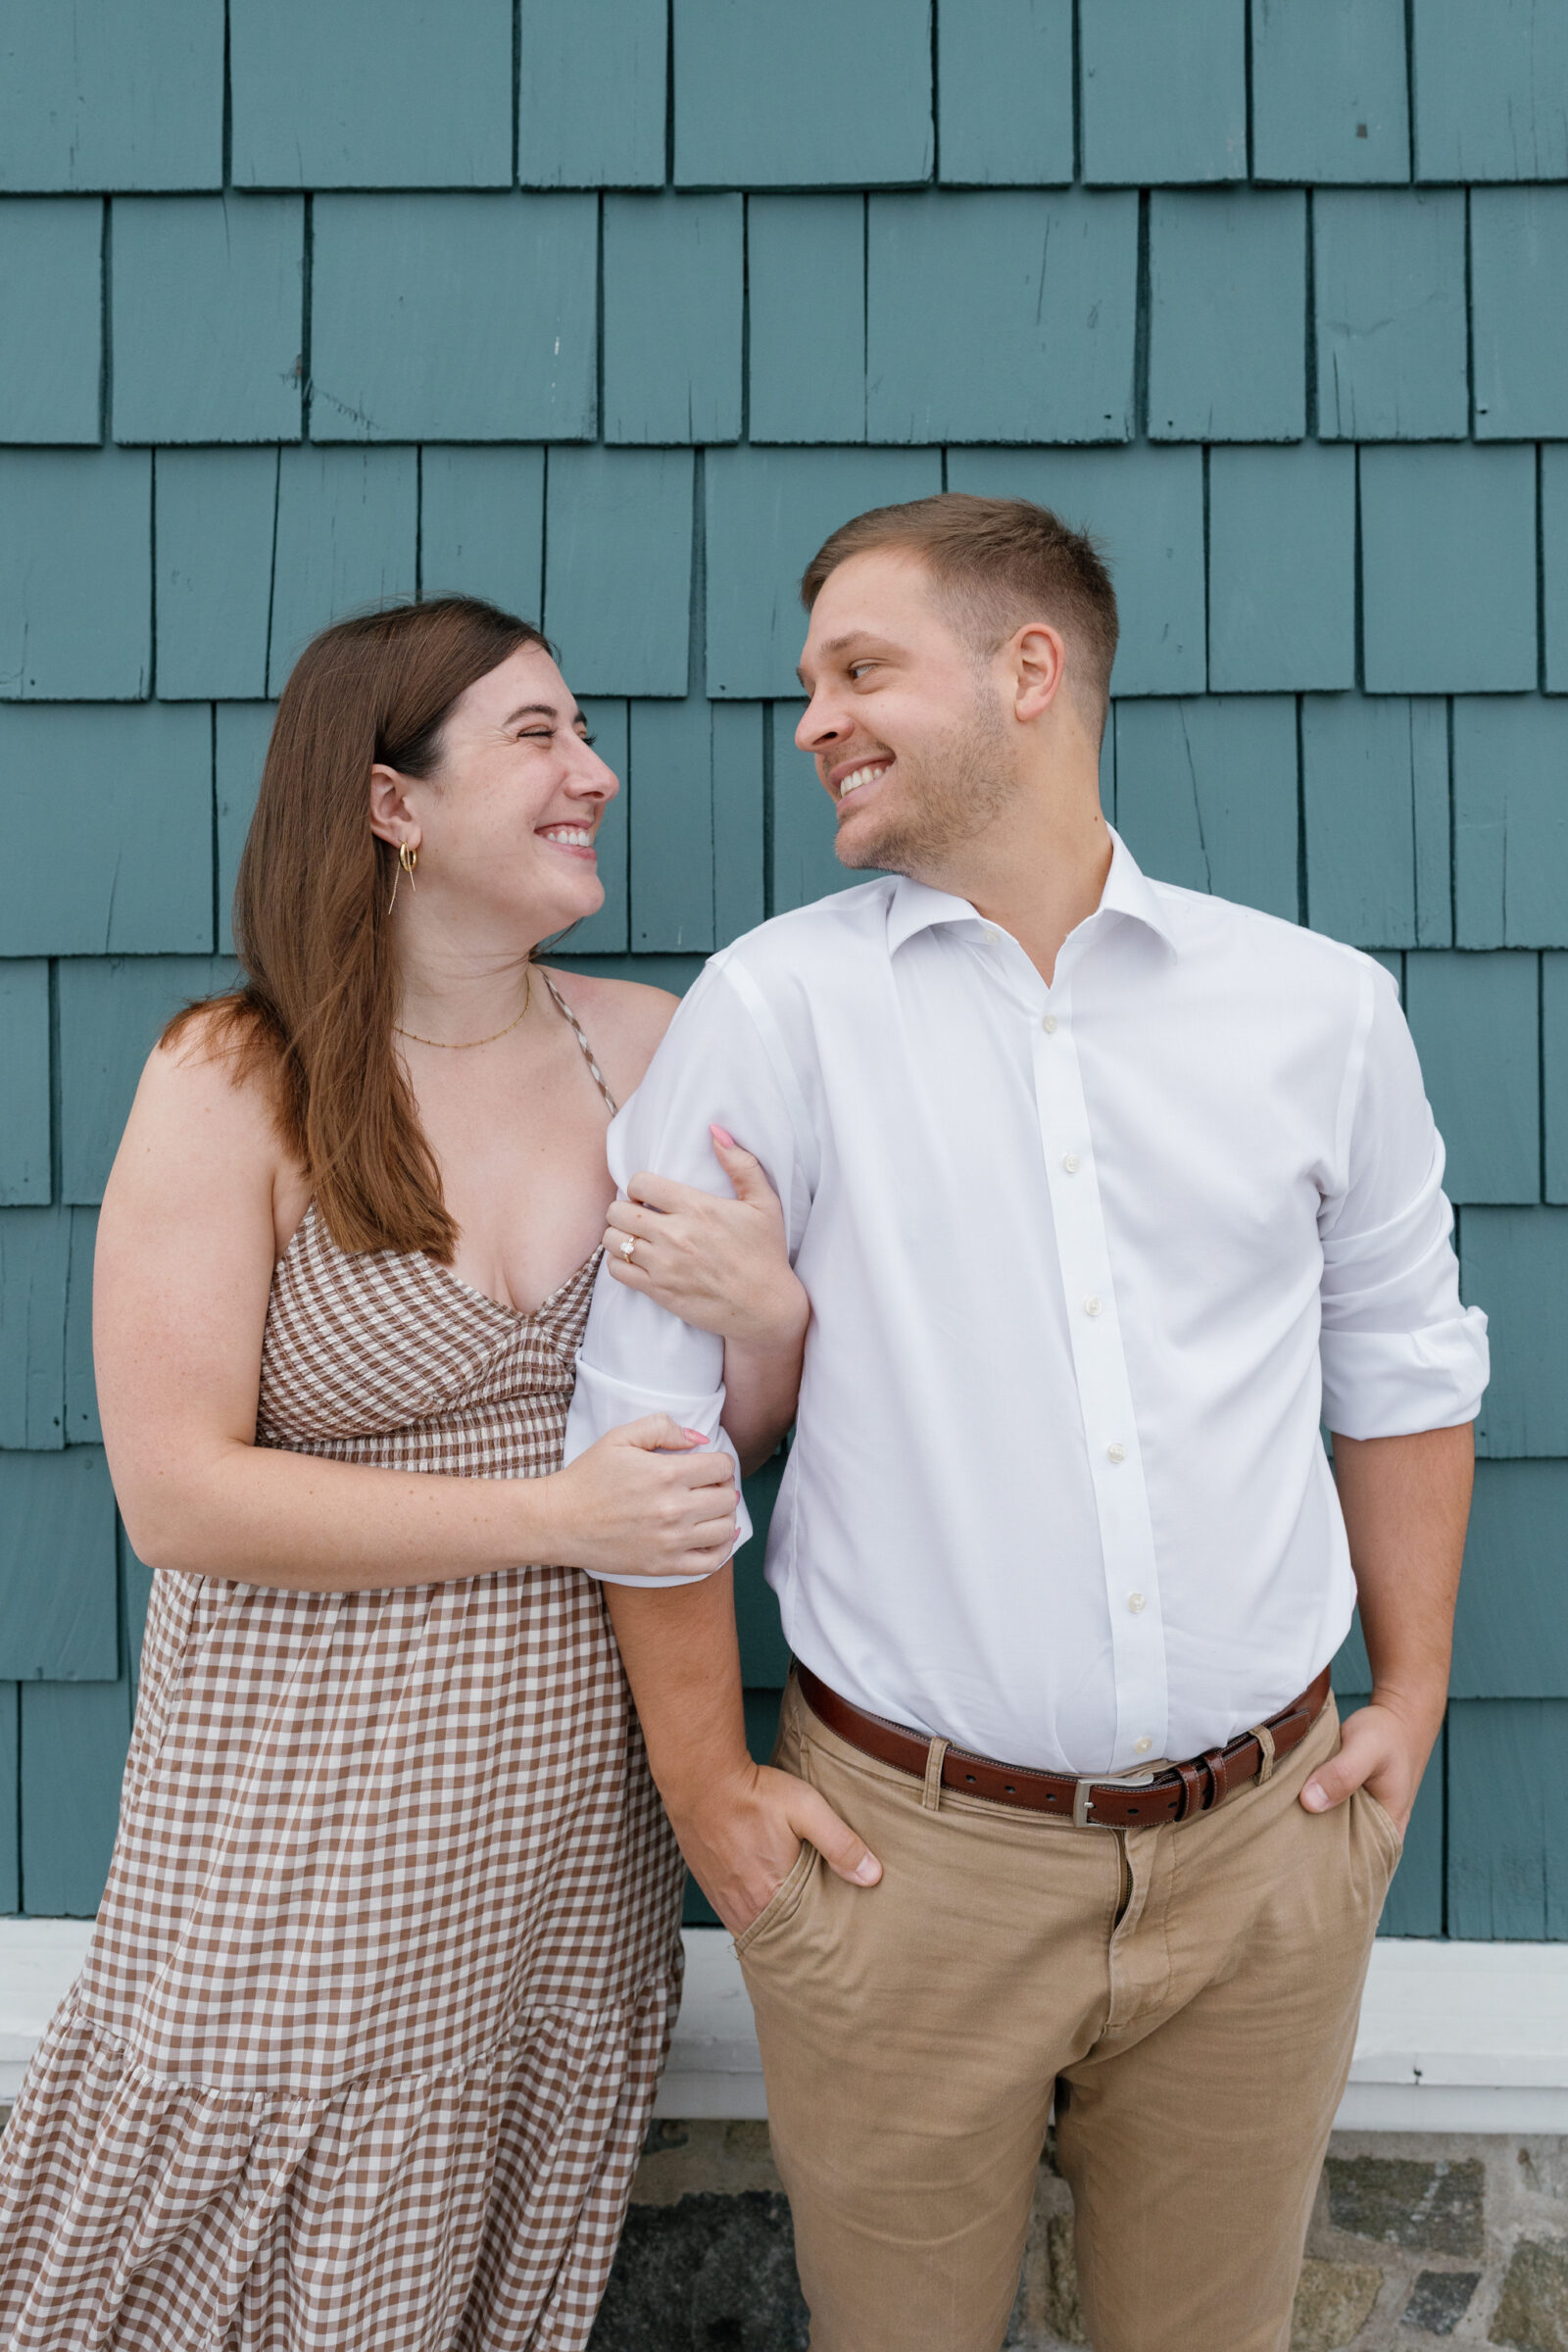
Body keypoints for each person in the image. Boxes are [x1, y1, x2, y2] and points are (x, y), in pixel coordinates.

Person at [561, 497, 1490, 2352]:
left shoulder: (1313, 1011)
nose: (812, 717)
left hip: (1265, 1854)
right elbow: (646, 1427)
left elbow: (1403, 1360)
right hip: (909, 1871)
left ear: (1030, 673)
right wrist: (708, 1800)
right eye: (806, 682)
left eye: (858, 668)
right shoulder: (777, 1010)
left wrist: (1416, 1693)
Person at [0, 598, 808, 2352]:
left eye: (581, 733)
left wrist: (770, 1317)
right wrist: (549, 1518)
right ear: (392, 806)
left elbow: (718, 1445)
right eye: (537, 737)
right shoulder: (240, 1078)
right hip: (295, 1836)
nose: (594, 772)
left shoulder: (649, 1053)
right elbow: (179, 1495)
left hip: (554, 1847)